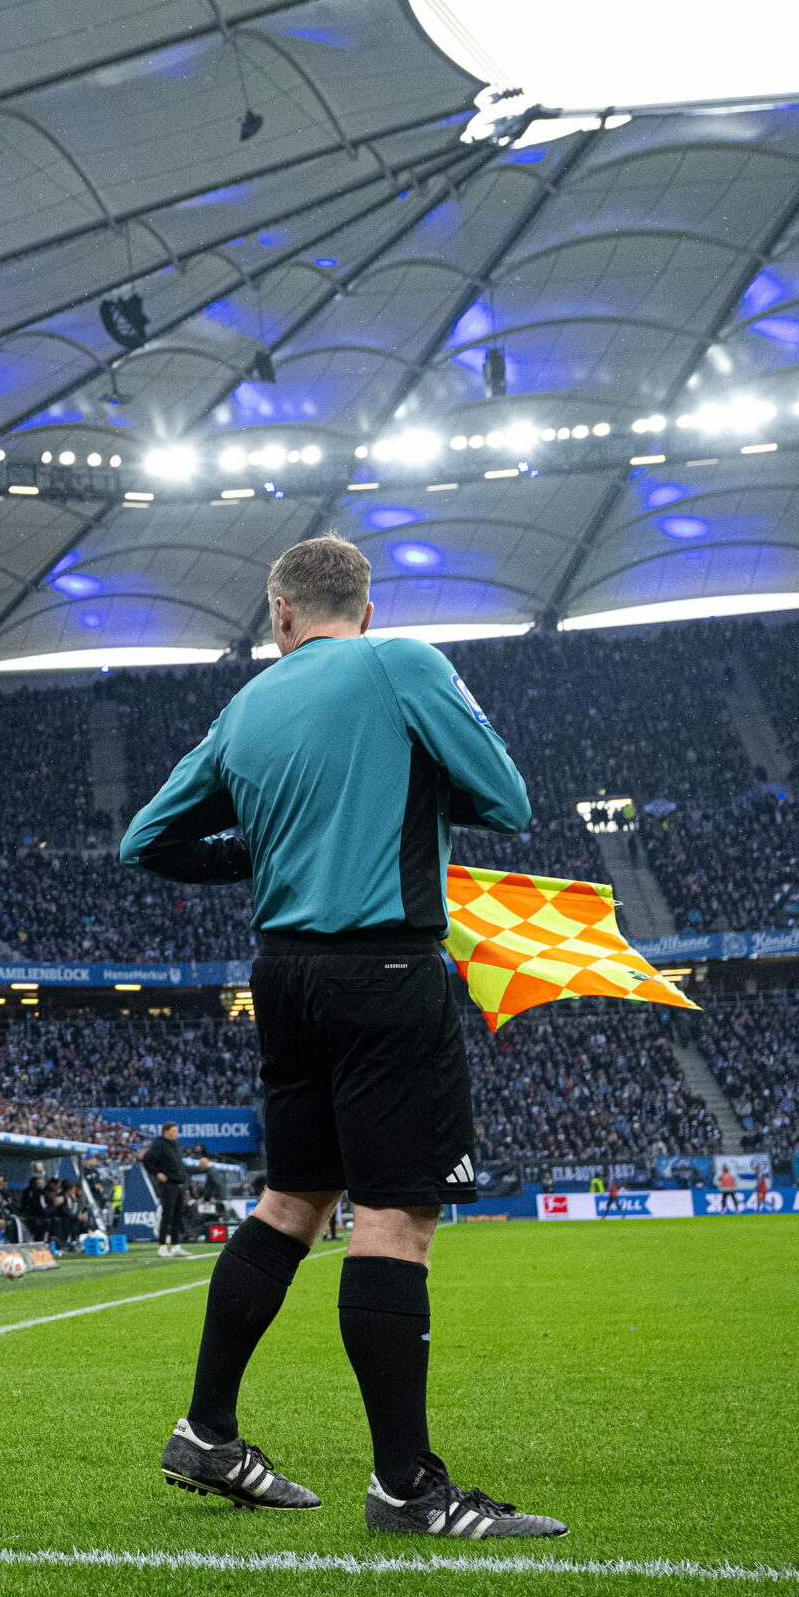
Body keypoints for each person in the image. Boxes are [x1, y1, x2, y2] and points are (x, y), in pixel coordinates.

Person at [122, 534, 563, 1538]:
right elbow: (506, 801)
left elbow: (144, 840)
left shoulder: (245, 706)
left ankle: (207, 1432)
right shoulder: (400, 662)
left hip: (281, 979)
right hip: (385, 971)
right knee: (394, 1223)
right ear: (363, 610)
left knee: (291, 1200)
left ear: (277, 615)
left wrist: (276, 844)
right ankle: (406, 1489)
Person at [143, 1121, 190, 1258]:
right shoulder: (159, 1144)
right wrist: (157, 1173)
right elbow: (147, 1160)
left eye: (176, 1131)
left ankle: (176, 1246)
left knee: (177, 1216)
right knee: (167, 1215)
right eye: (174, 1131)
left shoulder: (174, 1146)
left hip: (178, 1185)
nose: (176, 1134)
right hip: (168, 1184)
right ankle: (162, 1246)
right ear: (166, 1132)